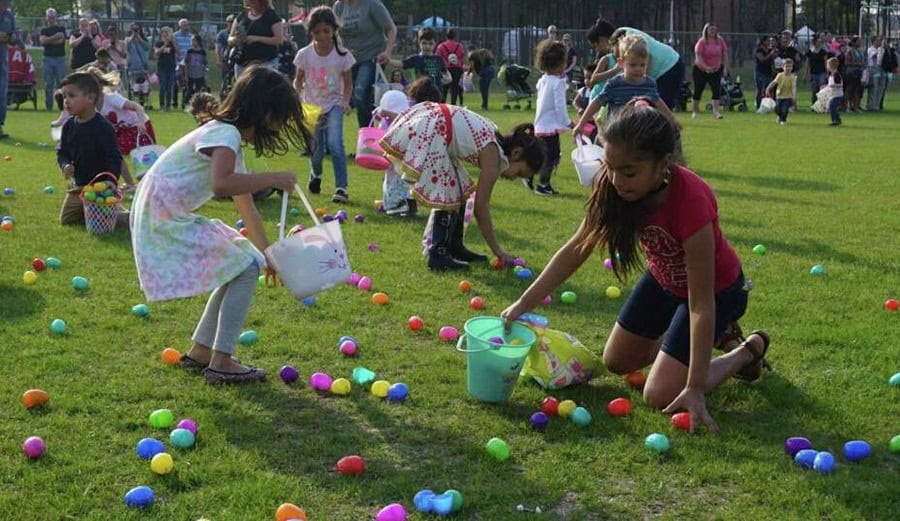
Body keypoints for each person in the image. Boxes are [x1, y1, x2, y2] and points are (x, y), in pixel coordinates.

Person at [502, 102, 771, 434]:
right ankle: (690, 348)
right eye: (611, 167)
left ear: (664, 165)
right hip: (663, 282)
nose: (617, 180)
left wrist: (696, 387)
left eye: (629, 172)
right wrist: (523, 303)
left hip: (716, 292)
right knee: (616, 362)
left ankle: (748, 350)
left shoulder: (692, 200)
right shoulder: (613, 185)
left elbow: (701, 303)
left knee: (659, 394)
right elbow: (577, 248)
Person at [130, 66, 311, 384]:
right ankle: (221, 361)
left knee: (242, 263)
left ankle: (202, 353)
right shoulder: (224, 134)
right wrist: (275, 178)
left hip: (163, 214)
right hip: (163, 218)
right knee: (242, 266)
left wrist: (268, 254)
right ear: (263, 108)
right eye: (279, 116)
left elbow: (246, 205)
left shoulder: (227, 138)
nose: (280, 125)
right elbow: (221, 184)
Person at [380, 102, 546, 270]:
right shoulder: (493, 155)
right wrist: (499, 251)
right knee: (448, 189)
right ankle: (438, 254)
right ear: (516, 153)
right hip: (433, 130)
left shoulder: (493, 140)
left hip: (433, 123)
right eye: (518, 173)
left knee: (460, 187)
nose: (513, 178)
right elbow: (480, 208)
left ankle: (453, 246)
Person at [293, 6, 355, 204]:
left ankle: (341, 188)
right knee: (316, 151)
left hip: (334, 104)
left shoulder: (343, 55)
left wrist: (345, 101)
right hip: (311, 106)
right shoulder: (304, 54)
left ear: (334, 30)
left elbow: (348, 82)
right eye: (317, 31)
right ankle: (316, 174)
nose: (322, 36)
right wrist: (297, 94)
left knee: (335, 144)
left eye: (326, 31)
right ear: (311, 32)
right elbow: (298, 79)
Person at [55, 72, 128, 227]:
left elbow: (114, 157)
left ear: (90, 98)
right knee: (67, 220)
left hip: (100, 187)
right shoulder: (69, 125)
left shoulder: (103, 127)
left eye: (72, 96)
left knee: (108, 220)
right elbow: (62, 152)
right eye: (64, 97)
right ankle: (93, 211)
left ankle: (126, 217)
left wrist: (111, 180)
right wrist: (65, 164)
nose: (66, 101)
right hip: (79, 186)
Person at [574, 35, 680, 135]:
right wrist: (581, 123)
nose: (638, 69)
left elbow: (658, 102)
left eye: (642, 65)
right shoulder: (615, 84)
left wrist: (672, 120)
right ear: (621, 63)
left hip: (639, 134)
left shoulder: (649, 84)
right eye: (633, 65)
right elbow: (597, 102)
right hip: (616, 134)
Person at [375, 78, 440, 216]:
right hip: (410, 155)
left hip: (402, 155)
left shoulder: (415, 111)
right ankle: (408, 206)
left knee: (397, 180)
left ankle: (398, 205)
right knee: (405, 180)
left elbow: (402, 118)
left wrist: (386, 113)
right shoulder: (421, 109)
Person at [334, 0, 397, 129]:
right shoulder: (339, 6)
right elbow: (333, 33)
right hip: (349, 60)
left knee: (360, 93)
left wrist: (388, 52)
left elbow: (391, 28)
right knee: (350, 97)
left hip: (372, 57)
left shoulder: (372, 4)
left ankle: (367, 137)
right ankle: (366, 138)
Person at [592, 24, 684, 110]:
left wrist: (642, 84)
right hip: (667, 67)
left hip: (670, 65)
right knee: (651, 108)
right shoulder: (625, 34)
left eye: (614, 51)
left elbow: (648, 57)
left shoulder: (630, 38)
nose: (615, 55)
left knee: (657, 109)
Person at [532, 39, 572, 196]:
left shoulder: (543, 79)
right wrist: (568, 122)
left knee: (543, 155)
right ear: (560, 63)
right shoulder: (557, 83)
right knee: (552, 156)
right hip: (550, 127)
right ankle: (543, 185)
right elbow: (560, 105)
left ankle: (531, 176)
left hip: (540, 124)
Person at [230, 0, 284, 78]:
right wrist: (236, 39)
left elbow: (279, 40)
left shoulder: (272, 16)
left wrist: (256, 38)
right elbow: (230, 38)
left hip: (265, 63)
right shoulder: (242, 16)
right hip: (242, 64)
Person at [691, 23, 728, 119]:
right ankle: (695, 111)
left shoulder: (720, 40)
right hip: (700, 70)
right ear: (706, 30)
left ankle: (716, 112)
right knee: (698, 90)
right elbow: (698, 56)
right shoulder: (702, 42)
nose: (713, 32)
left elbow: (725, 54)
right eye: (710, 29)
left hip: (715, 70)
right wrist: (705, 67)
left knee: (716, 89)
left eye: (714, 29)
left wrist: (724, 68)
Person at [395, 27, 448, 94]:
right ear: (419, 43)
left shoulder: (438, 59)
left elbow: (446, 74)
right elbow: (402, 63)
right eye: (424, 43)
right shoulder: (416, 59)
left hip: (436, 94)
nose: (427, 46)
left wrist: (445, 79)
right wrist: (388, 60)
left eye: (430, 43)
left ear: (435, 44)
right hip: (421, 94)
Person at [40, 8, 67, 113]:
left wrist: (49, 40)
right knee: (48, 84)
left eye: (53, 17)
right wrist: (55, 37)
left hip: (60, 58)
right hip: (47, 58)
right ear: (47, 18)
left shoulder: (61, 28)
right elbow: (43, 41)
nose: (51, 19)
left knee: (61, 83)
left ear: (56, 17)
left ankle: (63, 107)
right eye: (49, 17)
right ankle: (49, 106)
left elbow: (61, 40)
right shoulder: (44, 30)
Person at [436, 28, 465, 105]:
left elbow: (438, 57)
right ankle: (453, 104)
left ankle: (442, 103)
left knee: (444, 87)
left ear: (446, 36)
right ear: (455, 36)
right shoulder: (459, 46)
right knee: (454, 87)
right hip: (457, 68)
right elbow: (462, 55)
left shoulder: (441, 46)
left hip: (445, 68)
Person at [154, 26, 179, 111]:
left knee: (169, 87)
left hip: (171, 67)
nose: (167, 34)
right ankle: (162, 105)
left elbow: (178, 51)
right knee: (162, 86)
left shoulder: (173, 42)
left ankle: (168, 105)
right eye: (165, 32)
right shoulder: (158, 42)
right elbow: (156, 52)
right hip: (162, 67)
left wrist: (172, 41)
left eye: (168, 32)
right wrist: (164, 44)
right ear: (162, 33)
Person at [126, 23, 151, 107]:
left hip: (143, 66)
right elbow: (127, 47)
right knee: (133, 86)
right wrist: (133, 36)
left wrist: (139, 37)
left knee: (143, 86)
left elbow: (147, 47)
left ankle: (143, 103)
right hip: (133, 66)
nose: (136, 31)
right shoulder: (128, 40)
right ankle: (132, 103)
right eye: (134, 29)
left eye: (137, 29)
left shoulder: (144, 40)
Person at [766, 58, 797, 125]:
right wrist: (768, 88)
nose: (788, 68)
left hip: (788, 97)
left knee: (784, 109)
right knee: (777, 109)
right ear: (783, 67)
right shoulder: (780, 75)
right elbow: (774, 83)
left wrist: (794, 96)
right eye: (786, 66)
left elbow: (794, 87)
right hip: (779, 96)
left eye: (790, 66)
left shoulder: (792, 77)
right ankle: (779, 116)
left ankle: (783, 120)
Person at [172, 19, 194, 109]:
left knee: (186, 83)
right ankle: (174, 102)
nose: (186, 27)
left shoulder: (191, 36)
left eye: (187, 25)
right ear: (180, 26)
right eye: (184, 25)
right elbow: (174, 50)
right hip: (178, 63)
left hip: (188, 64)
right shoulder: (175, 36)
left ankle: (184, 102)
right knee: (176, 83)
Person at [0, 0, 14, 139]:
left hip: (2, 60)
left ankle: (0, 126)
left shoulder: (9, 15)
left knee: (2, 93)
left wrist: (10, 37)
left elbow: (11, 35)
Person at [183, 34, 208, 105]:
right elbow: (186, 63)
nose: (193, 42)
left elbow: (205, 64)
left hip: (199, 74)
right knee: (189, 90)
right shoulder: (189, 51)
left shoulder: (202, 52)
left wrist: (205, 74)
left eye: (194, 40)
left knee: (199, 90)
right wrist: (186, 75)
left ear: (198, 41)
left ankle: (198, 104)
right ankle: (186, 103)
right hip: (190, 74)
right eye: (192, 41)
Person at [753, 36, 777, 110]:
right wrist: (770, 54)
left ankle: (767, 106)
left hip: (769, 72)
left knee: (768, 90)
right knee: (761, 90)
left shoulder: (769, 50)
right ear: (763, 42)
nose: (769, 42)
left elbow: (772, 60)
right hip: (760, 72)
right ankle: (759, 106)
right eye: (767, 41)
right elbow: (762, 59)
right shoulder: (758, 50)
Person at [807, 33, 830, 108]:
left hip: (822, 72)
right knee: (814, 90)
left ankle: (822, 105)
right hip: (813, 72)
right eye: (817, 41)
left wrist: (827, 73)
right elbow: (808, 63)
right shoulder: (810, 51)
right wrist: (806, 74)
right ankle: (814, 105)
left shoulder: (823, 52)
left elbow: (825, 62)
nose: (819, 43)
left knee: (821, 89)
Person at [843, 36, 865, 113]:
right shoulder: (850, 51)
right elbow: (847, 62)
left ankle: (855, 106)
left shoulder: (860, 51)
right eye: (858, 41)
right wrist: (857, 64)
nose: (860, 43)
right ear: (854, 42)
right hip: (851, 72)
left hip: (859, 72)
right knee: (849, 89)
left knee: (857, 90)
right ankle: (847, 106)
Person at [215, 14, 236, 88]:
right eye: (230, 22)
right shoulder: (222, 34)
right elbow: (218, 48)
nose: (232, 23)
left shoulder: (239, 33)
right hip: (226, 60)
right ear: (227, 23)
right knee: (225, 80)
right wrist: (219, 60)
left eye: (233, 22)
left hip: (237, 60)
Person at [865, 36, 885, 112]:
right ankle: (870, 105)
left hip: (880, 70)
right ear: (873, 41)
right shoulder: (871, 49)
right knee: (873, 88)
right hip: (873, 69)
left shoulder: (880, 49)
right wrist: (880, 50)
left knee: (880, 88)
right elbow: (875, 56)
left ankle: (876, 105)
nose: (879, 42)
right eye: (878, 41)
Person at [824, 57, 843, 126]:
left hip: (837, 95)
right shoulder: (831, 75)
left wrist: (832, 86)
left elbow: (840, 84)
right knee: (832, 107)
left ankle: (836, 120)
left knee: (832, 106)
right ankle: (836, 119)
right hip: (833, 94)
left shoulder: (836, 75)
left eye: (827, 65)